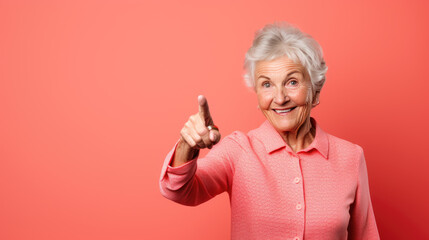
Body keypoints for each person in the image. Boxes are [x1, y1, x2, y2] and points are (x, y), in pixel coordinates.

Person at [159, 22, 380, 240]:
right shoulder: (239, 150)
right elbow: (177, 190)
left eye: (292, 82)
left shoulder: (351, 157)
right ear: (257, 95)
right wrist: (187, 145)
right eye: (267, 85)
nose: (280, 98)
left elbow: (365, 235)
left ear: (316, 90)